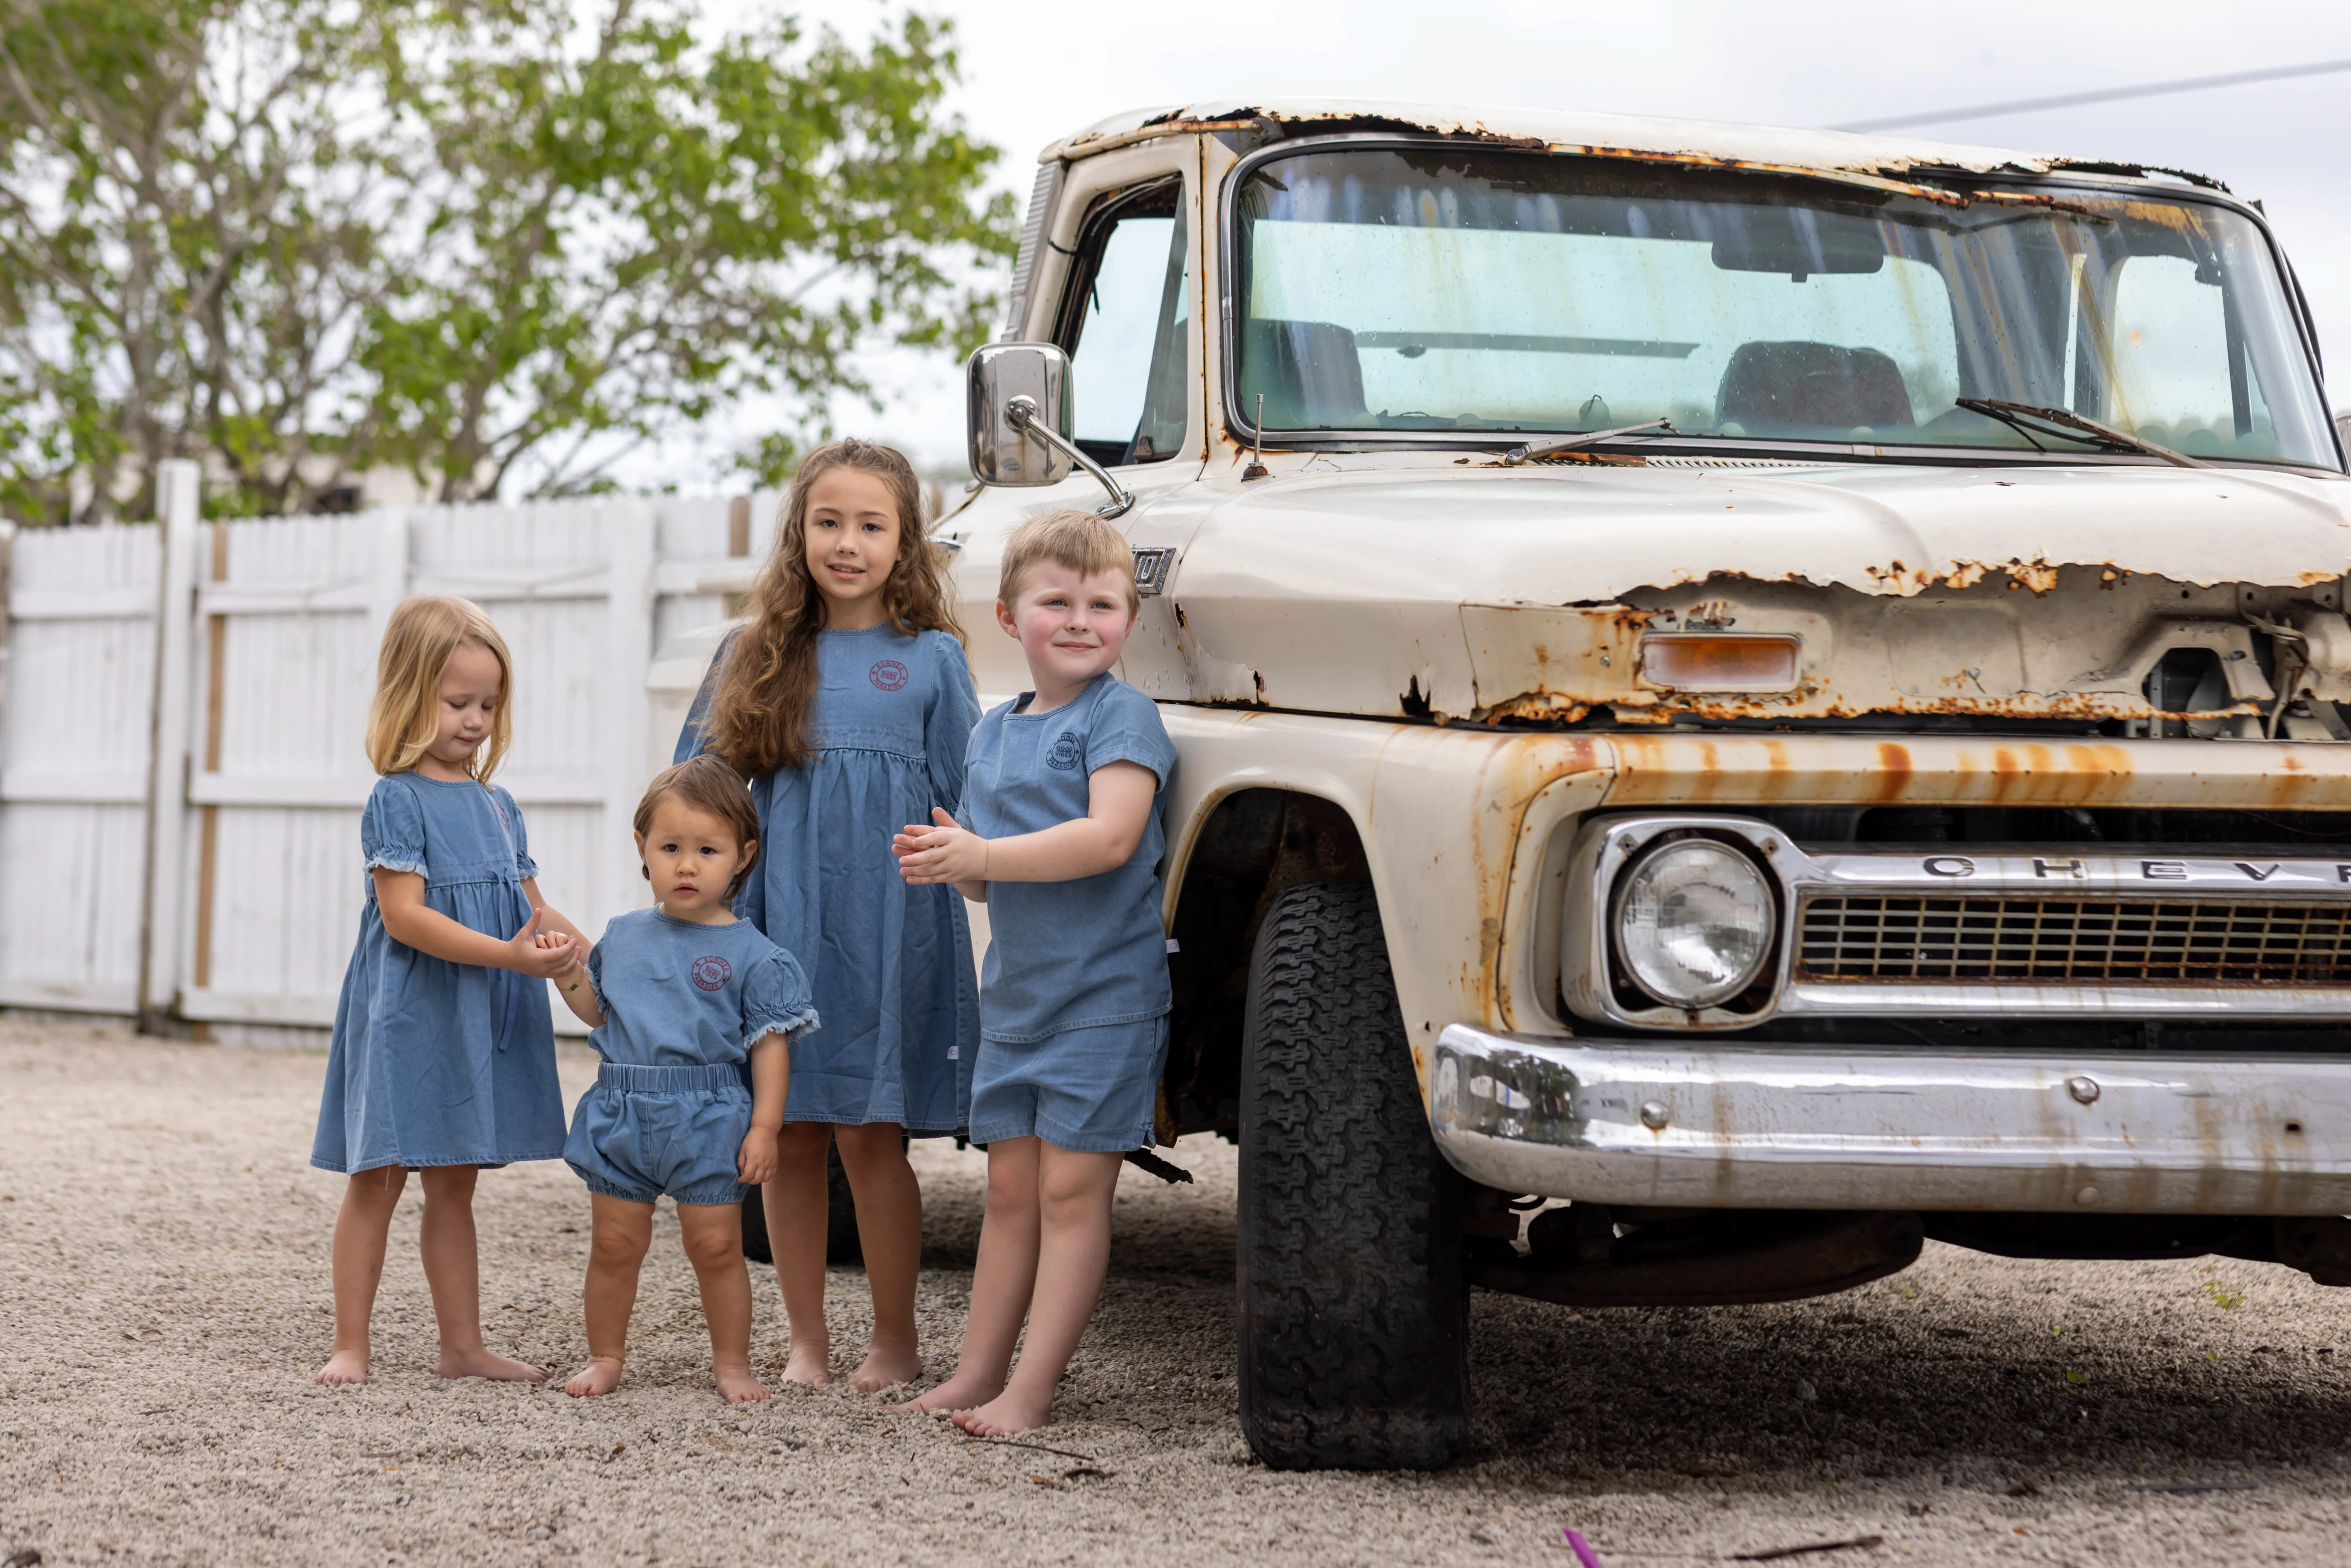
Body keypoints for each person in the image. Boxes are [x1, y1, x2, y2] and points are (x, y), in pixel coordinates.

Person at [680, 438, 981, 1391]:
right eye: (828, 522)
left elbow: (970, 798)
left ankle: (895, 1342)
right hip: (775, 925)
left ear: (906, 543)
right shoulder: (753, 654)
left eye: (871, 525)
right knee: (793, 1129)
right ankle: (806, 1342)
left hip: (886, 927)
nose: (847, 543)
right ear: (798, 532)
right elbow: (697, 793)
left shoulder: (932, 660)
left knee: (868, 1134)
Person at [889, 508, 1176, 1437]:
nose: (1084, 619)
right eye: (1059, 601)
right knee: (1010, 1192)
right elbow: (988, 878)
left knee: (1069, 1192)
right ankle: (978, 1371)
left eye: (1105, 602)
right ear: (1011, 618)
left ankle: (1034, 1388)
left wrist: (981, 856)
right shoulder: (989, 732)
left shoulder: (1121, 714)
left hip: (1104, 1002)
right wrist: (950, 860)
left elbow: (1110, 838)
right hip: (1017, 1001)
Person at [312, 595, 586, 1386]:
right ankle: (350, 1345)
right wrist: (506, 954)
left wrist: (599, 957)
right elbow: (403, 917)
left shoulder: (499, 807)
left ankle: (461, 1346)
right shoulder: (396, 796)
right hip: (411, 1012)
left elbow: (535, 908)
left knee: (454, 1182)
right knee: (379, 1179)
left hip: (476, 1011)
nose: (474, 720)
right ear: (409, 693)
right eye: (456, 701)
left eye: (489, 705)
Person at [547, 757, 818, 1403]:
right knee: (614, 1243)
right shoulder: (623, 935)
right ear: (642, 848)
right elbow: (600, 1013)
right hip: (623, 1109)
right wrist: (567, 975)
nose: (687, 865)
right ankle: (606, 1354)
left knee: (718, 1247)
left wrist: (765, 1127)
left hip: (709, 1115)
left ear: (742, 855)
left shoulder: (755, 955)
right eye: (671, 848)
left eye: (707, 849)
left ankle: (732, 1364)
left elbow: (770, 1049)